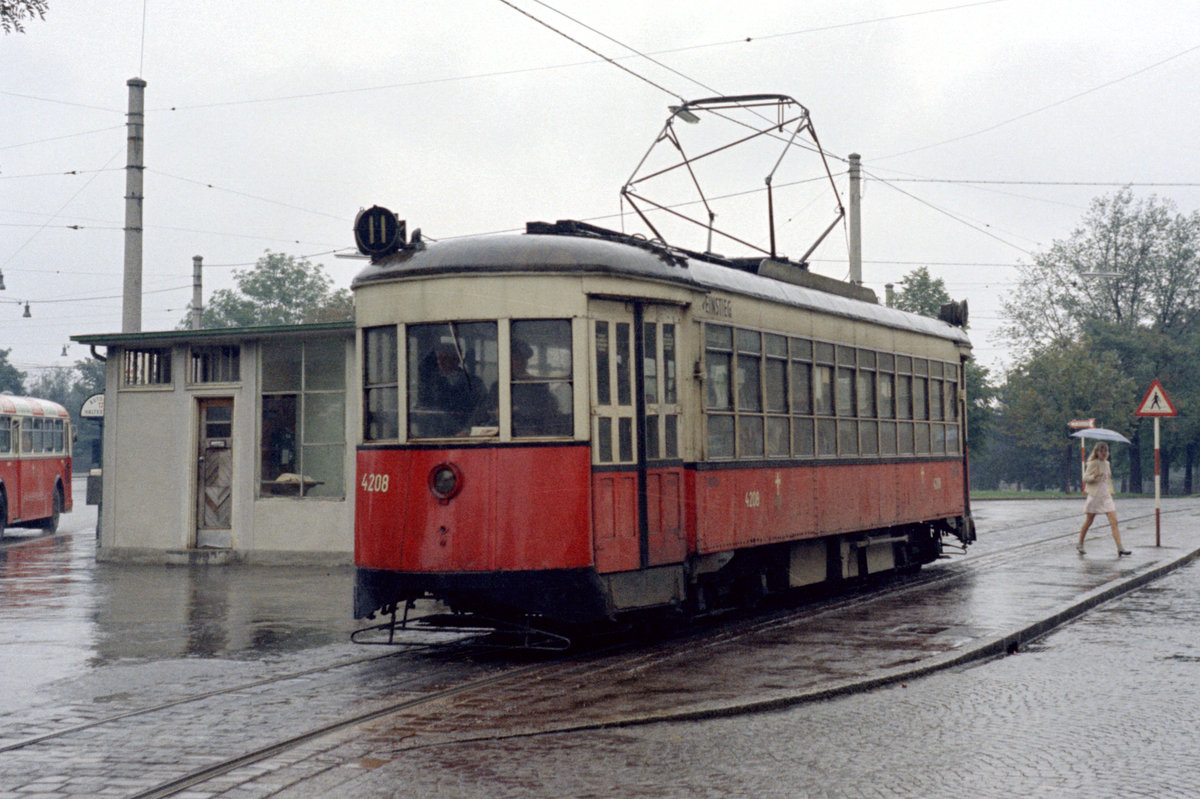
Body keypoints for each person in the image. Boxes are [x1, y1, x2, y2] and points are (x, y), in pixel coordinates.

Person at [1077, 441, 1130, 556]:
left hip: (1106, 496)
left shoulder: (1107, 464)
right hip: (1095, 496)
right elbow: (1085, 478)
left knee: (1114, 522)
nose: (1104, 453)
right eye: (1101, 450)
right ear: (1096, 452)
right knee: (1089, 521)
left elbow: (1107, 479)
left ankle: (1120, 547)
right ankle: (1080, 543)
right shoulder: (1093, 463)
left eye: (1105, 450)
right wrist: (1094, 476)